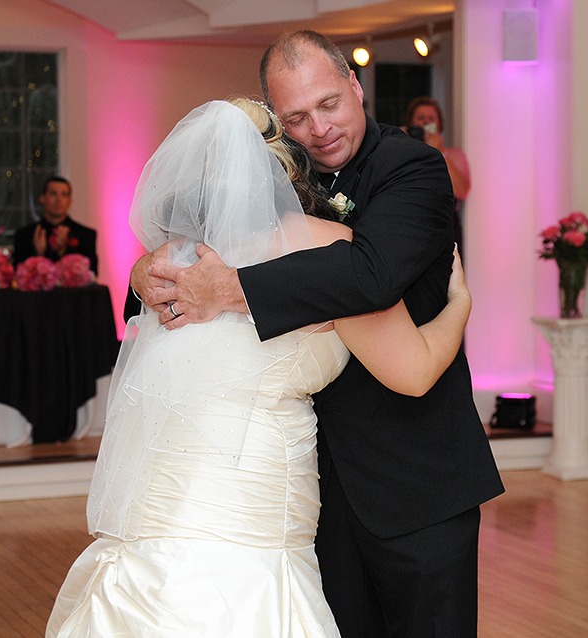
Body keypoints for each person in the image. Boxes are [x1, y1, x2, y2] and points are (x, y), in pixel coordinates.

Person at [46, 98, 474, 637]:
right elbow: (413, 372)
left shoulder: (169, 261)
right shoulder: (328, 245)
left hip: (165, 507)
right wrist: (460, 306)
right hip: (253, 509)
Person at [127, 31, 503, 638]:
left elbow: (371, 275)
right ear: (276, 119)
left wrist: (229, 289)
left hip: (414, 481)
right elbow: (166, 270)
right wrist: (146, 272)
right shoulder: (262, 182)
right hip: (304, 492)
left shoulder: (412, 169)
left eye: (330, 104)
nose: (320, 129)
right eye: (297, 118)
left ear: (355, 86)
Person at [404, 96, 470, 253]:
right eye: (420, 118)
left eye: (431, 118)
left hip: (444, 225)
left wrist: (439, 152)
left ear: (439, 124)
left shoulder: (453, 154)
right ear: (411, 124)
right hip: (410, 222)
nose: (426, 123)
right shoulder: (404, 152)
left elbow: (462, 191)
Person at [12, 176, 98, 274]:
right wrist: (39, 255)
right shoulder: (24, 235)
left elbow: (92, 273)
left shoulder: (86, 235)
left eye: (64, 195)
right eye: (53, 194)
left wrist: (63, 252)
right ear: (43, 198)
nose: (58, 200)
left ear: (69, 201)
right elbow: (18, 274)